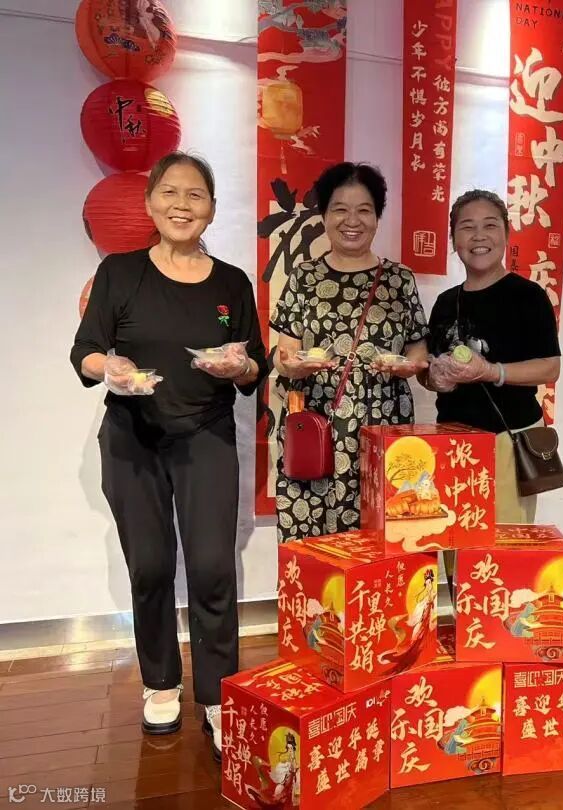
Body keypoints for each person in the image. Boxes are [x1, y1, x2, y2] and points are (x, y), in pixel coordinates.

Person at [70, 152, 268, 762]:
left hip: (205, 435)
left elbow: (255, 366)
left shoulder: (231, 282)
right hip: (132, 437)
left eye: (196, 195)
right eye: (171, 193)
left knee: (212, 567)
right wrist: (111, 368)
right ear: (150, 202)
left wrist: (240, 366)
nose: (182, 205)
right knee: (151, 566)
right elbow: (85, 352)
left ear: (212, 208)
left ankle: (216, 692)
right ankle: (160, 682)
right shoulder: (119, 273)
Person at [271, 162, 429, 541]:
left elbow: (418, 352)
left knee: (381, 540)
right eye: (340, 209)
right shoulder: (304, 277)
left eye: (364, 210)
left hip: (383, 426)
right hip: (316, 426)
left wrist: (409, 367)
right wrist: (294, 366)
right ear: (324, 215)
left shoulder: (399, 280)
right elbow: (284, 353)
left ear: (377, 217)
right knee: (313, 546)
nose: (352, 220)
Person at [421, 189, 561, 595]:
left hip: (508, 440)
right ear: (453, 239)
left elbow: (550, 366)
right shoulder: (446, 302)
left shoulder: (528, 297)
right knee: (456, 545)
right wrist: (435, 379)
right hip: (454, 445)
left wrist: (491, 372)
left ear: (506, 234)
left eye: (489, 226)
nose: (478, 236)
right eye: (467, 227)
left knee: (503, 551)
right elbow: (430, 370)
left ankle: (502, 629)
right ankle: (466, 626)